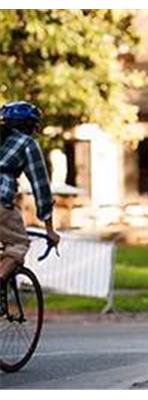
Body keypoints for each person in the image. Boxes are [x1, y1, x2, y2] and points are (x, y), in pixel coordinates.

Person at [0, 101, 60, 316]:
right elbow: (41, 187)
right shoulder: (27, 144)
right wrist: (50, 229)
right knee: (17, 244)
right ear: (32, 126)